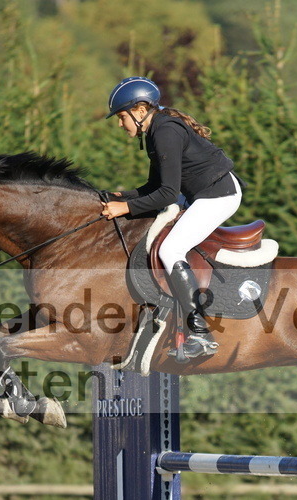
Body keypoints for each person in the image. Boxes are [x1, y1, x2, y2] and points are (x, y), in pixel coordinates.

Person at [101, 76, 242, 360]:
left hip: (219, 195)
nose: (120, 124)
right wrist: (123, 196)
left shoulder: (164, 131)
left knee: (170, 249)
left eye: (121, 117)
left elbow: (166, 194)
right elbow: (155, 187)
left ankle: (200, 332)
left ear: (140, 111)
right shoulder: (156, 130)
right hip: (202, 193)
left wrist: (124, 209)